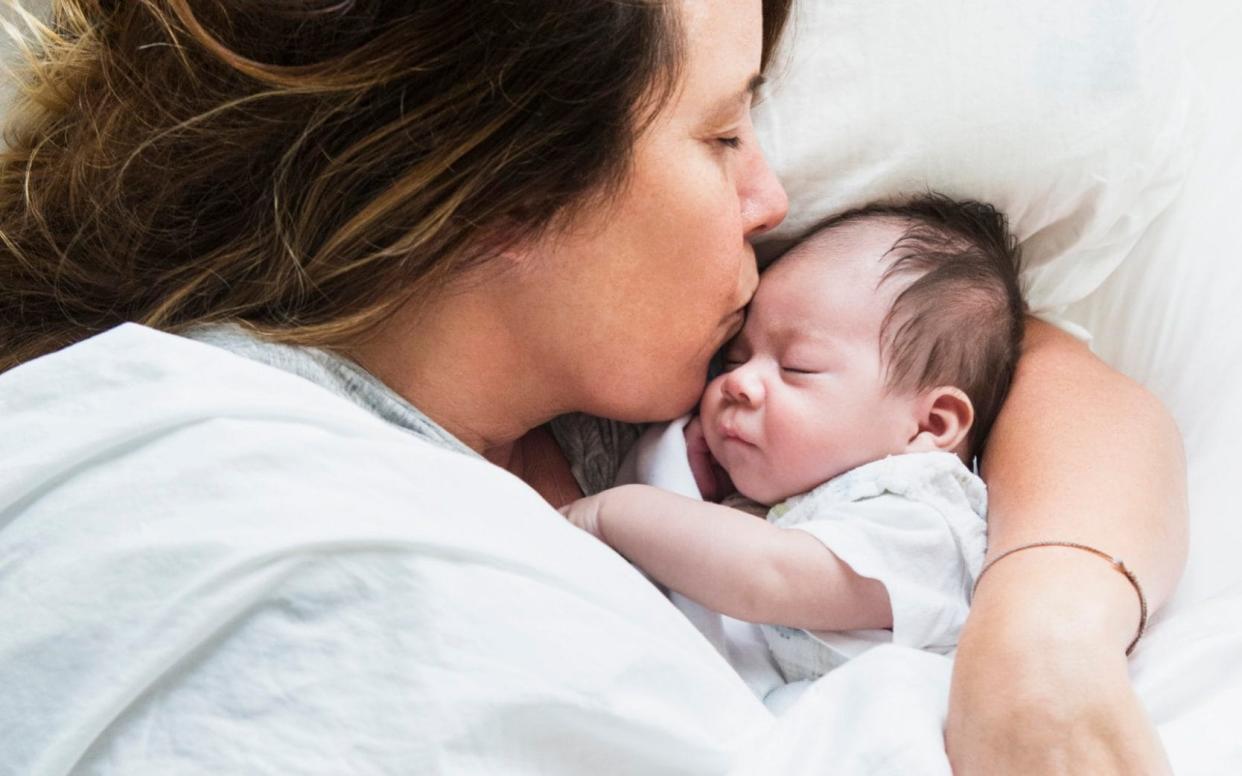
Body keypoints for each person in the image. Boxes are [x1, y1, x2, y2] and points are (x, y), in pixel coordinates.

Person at [0, 1, 1186, 774]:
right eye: (723, 136)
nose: (772, 197)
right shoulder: (209, 458)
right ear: (515, 187)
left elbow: (1046, 376)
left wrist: (1039, 640)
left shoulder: (675, 380)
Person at [562, 195, 1023, 683]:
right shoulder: (804, 497)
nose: (737, 384)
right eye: (736, 359)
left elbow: (765, 575)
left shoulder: (922, 521)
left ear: (931, 425)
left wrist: (609, 513)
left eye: (796, 366)